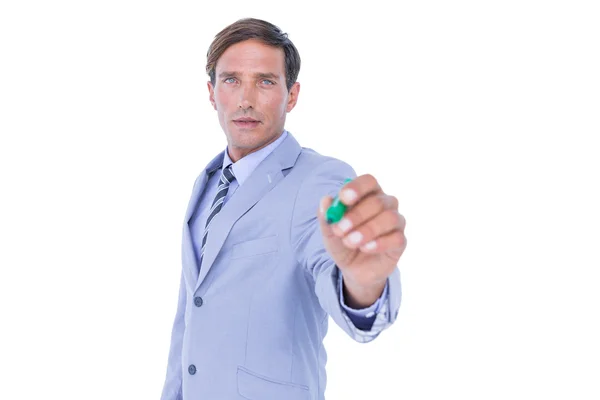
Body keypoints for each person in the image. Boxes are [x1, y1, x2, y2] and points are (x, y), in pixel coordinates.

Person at [160, 17, 407, 400]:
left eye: (265, 81)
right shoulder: (208, 182)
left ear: (291, 95)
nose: (246, 99)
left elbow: (332, 262)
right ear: (211, 93)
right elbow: (191, 314)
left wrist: (363, 284)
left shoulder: (319, 181)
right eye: (231, 80)